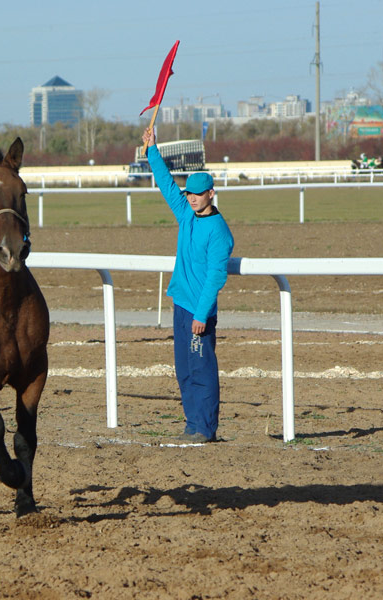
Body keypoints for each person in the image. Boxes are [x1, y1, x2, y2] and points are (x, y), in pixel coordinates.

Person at [142, 127, 234, 443]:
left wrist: (201, 314)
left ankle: (205, 429)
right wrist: (152, 150)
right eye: (189, 193)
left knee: (201, 372)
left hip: (199, 312)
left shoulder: (220, 233)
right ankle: (192, 425)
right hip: (180, 303)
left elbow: (215, 278)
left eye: (198, 193)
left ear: (211, 193)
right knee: (184, 371)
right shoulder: (186, 214)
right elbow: (167, 186)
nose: (192, 198)